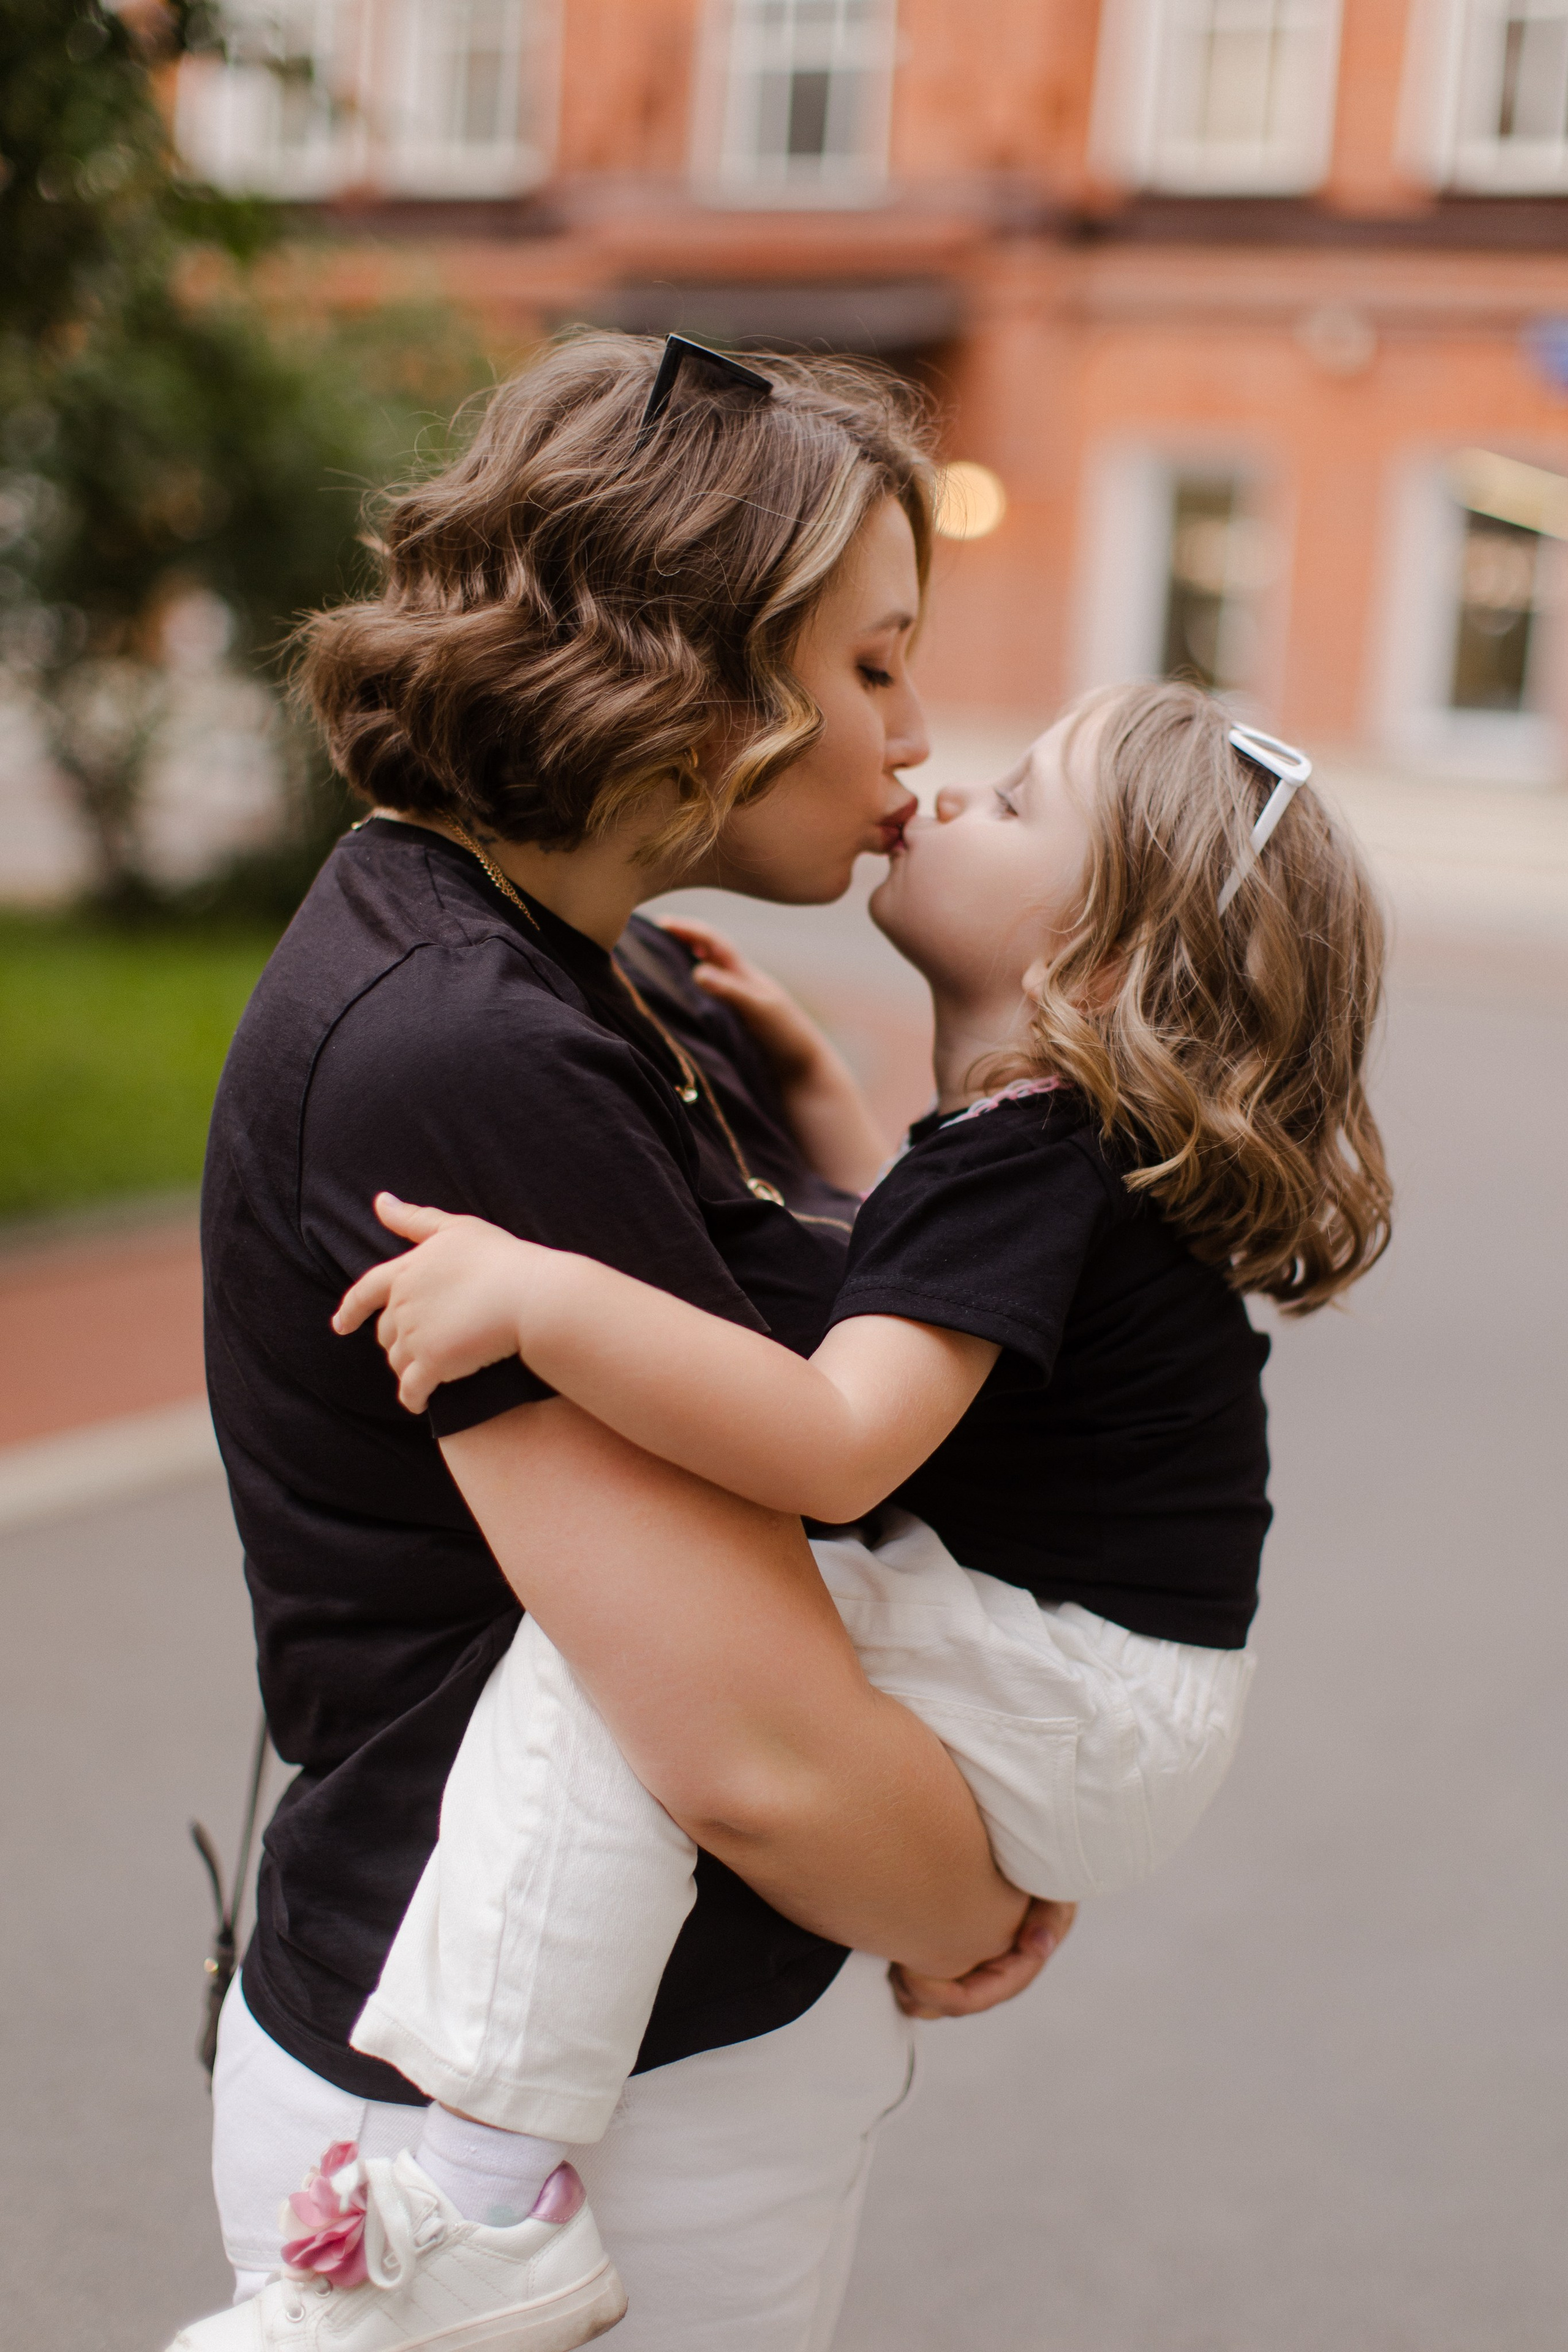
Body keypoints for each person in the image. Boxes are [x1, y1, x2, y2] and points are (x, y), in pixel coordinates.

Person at [238, 682, 1393, 2346]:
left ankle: (476, 2199)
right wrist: (819, 1087)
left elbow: (844, 1442)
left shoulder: (1032, 1160)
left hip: (1074, 1683)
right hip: (1108, 1686)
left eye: (1015, 804)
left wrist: (543, 1299)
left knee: (621, 1664)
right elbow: (904, 1286)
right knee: (677, 1645)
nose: (944, 787)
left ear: (1101, 965)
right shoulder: (1046, 1151)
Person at [175, 333, 1070, 2352]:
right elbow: (745, 1748)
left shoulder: (622, 973)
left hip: (655, 2069)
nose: (917, 734)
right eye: (872, 667)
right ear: (690, 668)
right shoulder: (465, 1047)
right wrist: (979, 1890)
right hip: (530, 2127)